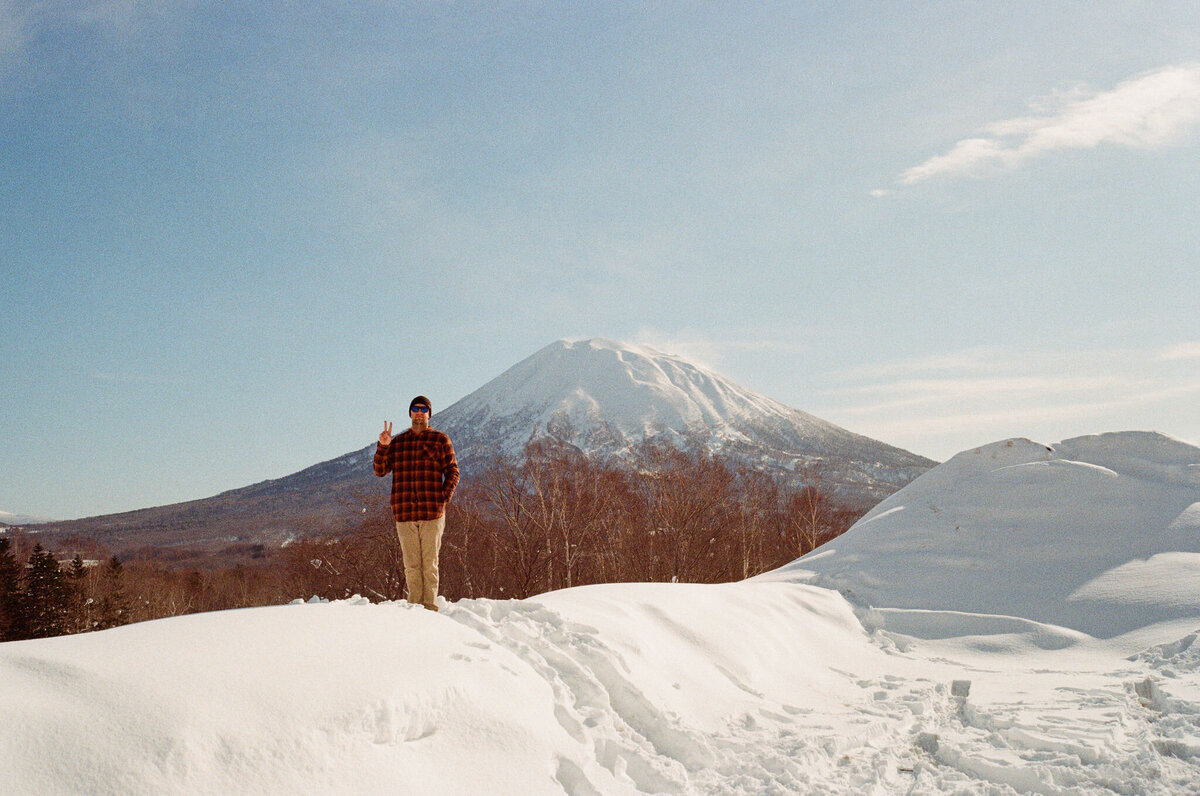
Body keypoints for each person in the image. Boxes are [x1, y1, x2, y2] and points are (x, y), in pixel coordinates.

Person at [373, 395, 459, 611]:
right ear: (410, 413)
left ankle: (429, 608)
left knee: (429, 565)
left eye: (423, 409)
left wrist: (443, 498)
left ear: (429, 414)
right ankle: (414, 610)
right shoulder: (399, 443)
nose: (419, 412)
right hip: (404, 513)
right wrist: (383, 446)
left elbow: (453, 471)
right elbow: (380, 470)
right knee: (412, 566)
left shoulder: (440, 440)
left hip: (432, 513)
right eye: (415, 408)